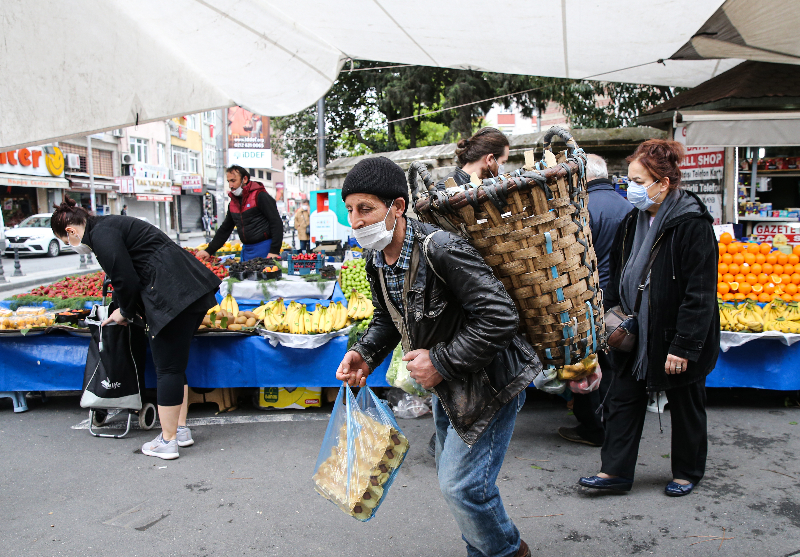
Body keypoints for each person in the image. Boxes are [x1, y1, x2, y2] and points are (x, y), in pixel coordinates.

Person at [336, 156, 539, 557]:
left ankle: (507, 550)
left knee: (462, 486)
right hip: (449, 387)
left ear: (397, 206)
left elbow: (500, 316)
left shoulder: (440, 248)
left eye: (365, 208)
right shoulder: (376, 259)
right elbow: (387, 318)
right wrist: (364, 352)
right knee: (462, 485)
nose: (355, 221)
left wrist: (441, 361)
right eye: (350, 210)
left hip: (491, 382)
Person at [578, 139, 720, 497]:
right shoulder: (632, 220)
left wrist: (684, 347)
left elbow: (699, 293)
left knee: (686, 405)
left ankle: (688, 472)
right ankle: (615, 472)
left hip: (675, 333)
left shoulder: (691, 223)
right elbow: (617, 270)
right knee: (622, 399)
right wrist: (608, 316)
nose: (631, 189)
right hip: (634, 329)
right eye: (628, 180)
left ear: (665, 182)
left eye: (639, 181)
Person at [51, 197, 221, 460]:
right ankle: (180, 429)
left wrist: (125, 312)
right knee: (175, 366)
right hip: (188, 291)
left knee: (168, 369)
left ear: (71, 231)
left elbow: (125, 279)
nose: (71, 245)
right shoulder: (108, 226)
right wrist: (123, 307)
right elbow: (124, 276)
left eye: (67, 241)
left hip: (172, 296)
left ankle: (168, 441)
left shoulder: (101, 236)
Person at [558, 154, 632, 446]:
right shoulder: (630, 207)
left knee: (587, 362)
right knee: (614, 364)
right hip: (622, 301)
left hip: (590, 298)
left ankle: (592, 428)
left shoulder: (581, 209)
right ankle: (615, 422)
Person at [196, 165, 282, 262]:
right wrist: (208, 251)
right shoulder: (233, 203)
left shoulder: (260, 196)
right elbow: (225, 229)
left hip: (265, 249)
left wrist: (274, 250)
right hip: (247, 250)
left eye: (233, 181)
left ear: (244, 179)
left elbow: (276, 222)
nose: (230, 185)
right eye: (228, 181)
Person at [438, 127, 509, 189]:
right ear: (490, 159)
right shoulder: (445, 189)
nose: (502, 170)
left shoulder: (484, 187)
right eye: (502, 162)